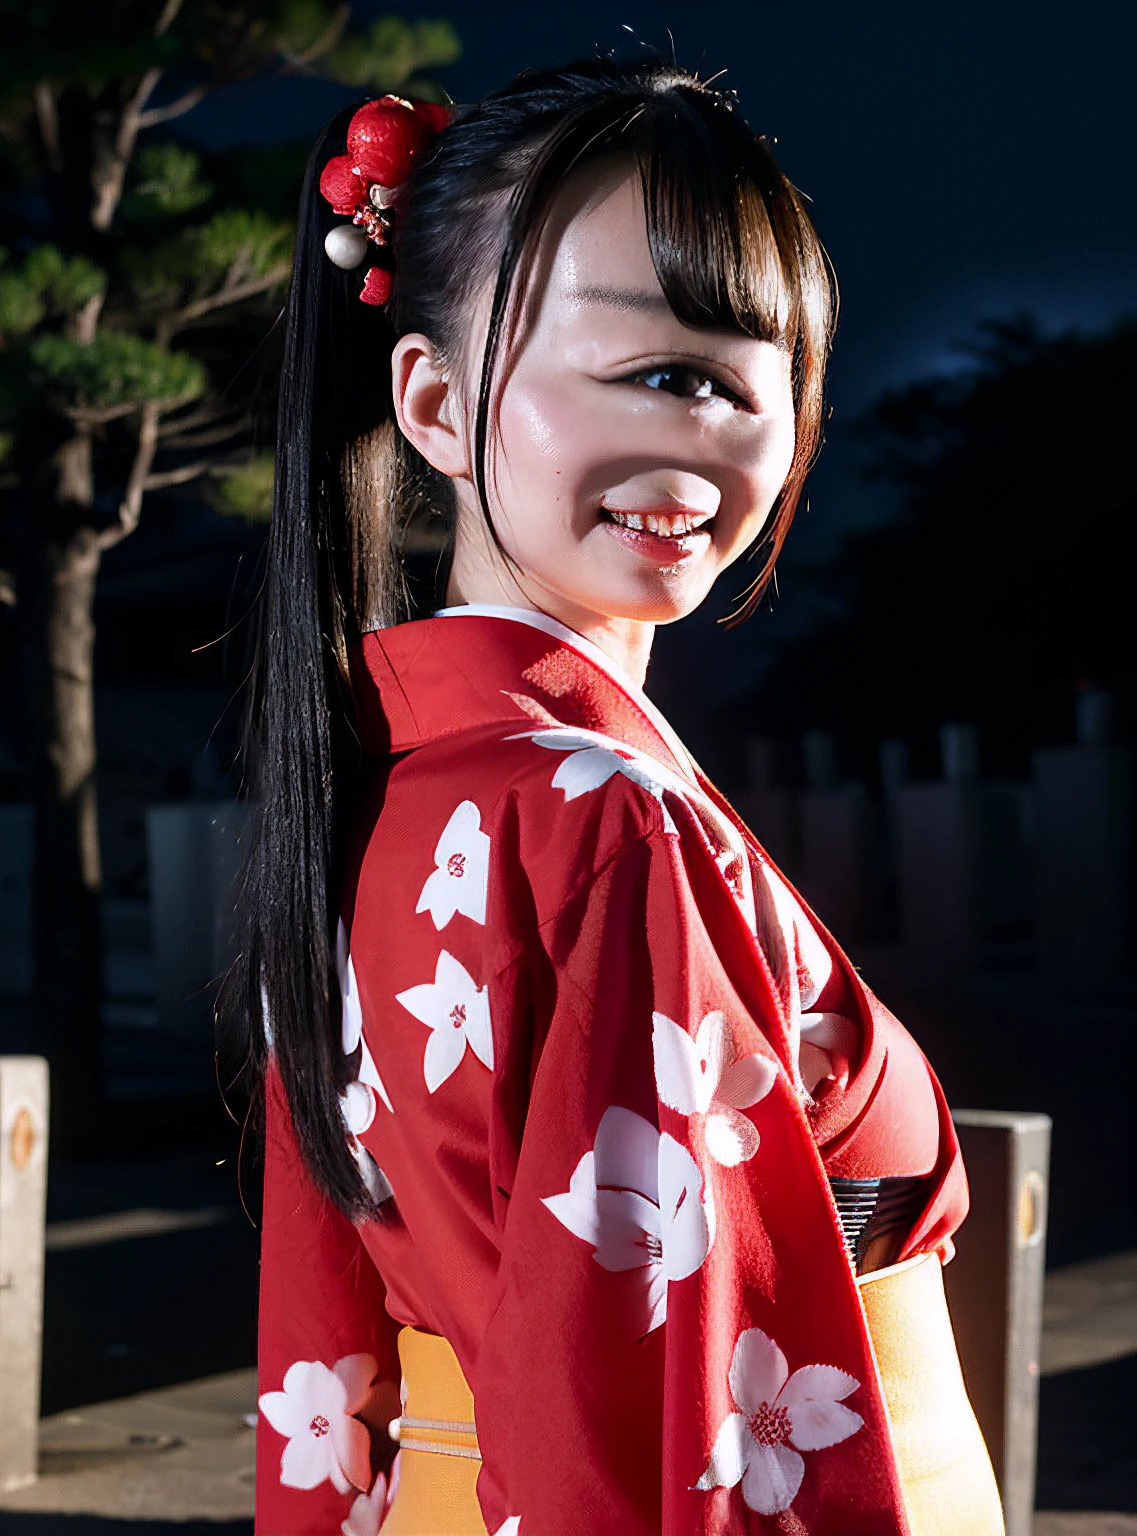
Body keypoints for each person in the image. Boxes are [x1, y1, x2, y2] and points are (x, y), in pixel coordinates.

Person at [226, 56, 1006, 1536]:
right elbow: (671, 1414)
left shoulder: (388, 785)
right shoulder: (601, 815)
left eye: (750, 382)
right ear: (437, 405)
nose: (707, 440)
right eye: (653, 371)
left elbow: (331, 1351)